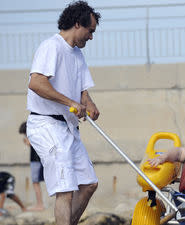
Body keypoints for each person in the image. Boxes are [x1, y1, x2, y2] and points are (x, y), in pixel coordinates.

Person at [25, 1, 101, 225]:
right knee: (66, 189)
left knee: (88, 185)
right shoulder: (51, 46)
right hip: (46, 125)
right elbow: (36, 83)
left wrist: (90, 105)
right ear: (78, 24)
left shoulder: (77, 55)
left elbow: (82, 92)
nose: (91, 37)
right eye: (90, 31)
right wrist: (70, 102)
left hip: (68, 128)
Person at [19, 122, 45, 211]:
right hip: (36, 160)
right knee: (36, 182)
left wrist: (27, 141)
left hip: (36, 161)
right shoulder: (36, 133)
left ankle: (40, 204)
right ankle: (39, 204)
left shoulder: (32, 134)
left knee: (35, 182)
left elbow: (32, 144)